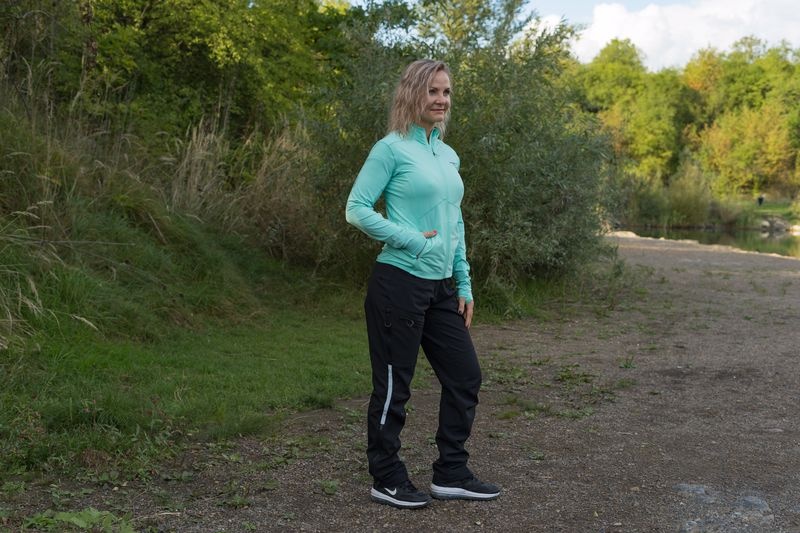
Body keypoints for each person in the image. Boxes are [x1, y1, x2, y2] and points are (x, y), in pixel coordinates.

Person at [345, 59, 500, 509]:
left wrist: (464, 282)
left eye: (446, 92)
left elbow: (455, 222)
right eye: (433, 91)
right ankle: (386, 477)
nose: (441, 100)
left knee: (465, 376)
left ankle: (451, 472)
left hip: (441, 287)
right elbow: (356, 208)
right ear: (412, 93)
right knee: (395, 385)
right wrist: (412, 239)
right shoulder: (390, 149)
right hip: (399, 282)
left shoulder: (447, 155)